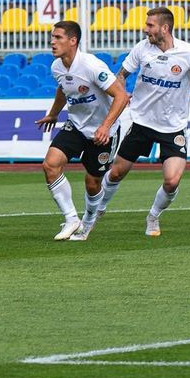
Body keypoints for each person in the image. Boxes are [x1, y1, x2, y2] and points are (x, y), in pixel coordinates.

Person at [90, 7, 190, 239]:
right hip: (141, 123)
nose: (145, 29)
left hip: (173, 127)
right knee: (116, 174)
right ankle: (100, 208)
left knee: (172, 181)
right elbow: (121, 74)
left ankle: (153, 216)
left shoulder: (189, 53)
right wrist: (120, 91)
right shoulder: (141, 49)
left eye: (150, 25)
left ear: (165, 28)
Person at [34, 21, 129, 241]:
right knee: (50, 164)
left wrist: (105, 126)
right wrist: (54, 113)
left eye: (58, 37)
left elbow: (121, 96)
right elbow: (62, 87)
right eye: (52, 37)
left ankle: (88, 221)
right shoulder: (56, 66)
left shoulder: (91, 66)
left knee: (92, 182)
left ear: (73, 41)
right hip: (76, 125)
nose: (52, 41)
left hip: (104, 131)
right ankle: (71, 218)